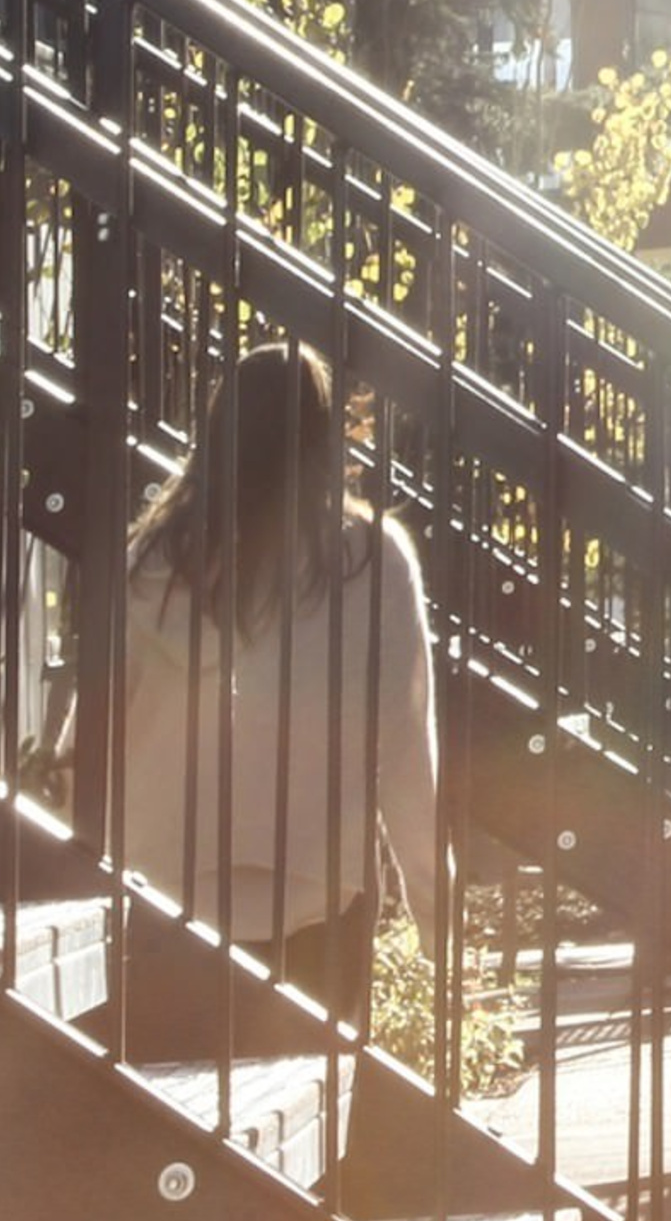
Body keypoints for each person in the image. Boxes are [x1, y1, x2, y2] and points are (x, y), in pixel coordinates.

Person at [118, 341, 444, 1019]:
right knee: (315, 1097)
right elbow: (405, 739)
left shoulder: (156, 559)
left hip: (167, 877)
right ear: (323, 438)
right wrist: (430, 894)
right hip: (317, 883)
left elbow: (98, 715)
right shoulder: (371, 559)